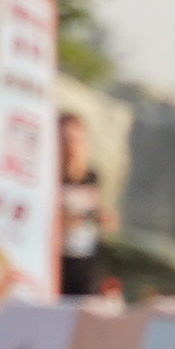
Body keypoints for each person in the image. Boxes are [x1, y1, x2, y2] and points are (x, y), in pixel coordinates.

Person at [55, 116, 110, 302]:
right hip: (59, 261)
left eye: (76, 141)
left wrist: (101, 218)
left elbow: (95, 212)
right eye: (66, 141)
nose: (72, 147)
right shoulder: (52, 179)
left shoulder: (92, 177)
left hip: (86, 260)